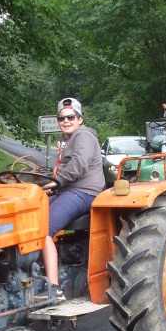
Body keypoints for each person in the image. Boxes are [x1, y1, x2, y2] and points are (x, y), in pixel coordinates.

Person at [41, 97, 106, 300]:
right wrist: (52, 184)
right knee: (31, 214)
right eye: (62, 118)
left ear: (80, 119)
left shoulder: (84, 135)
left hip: (84, 192)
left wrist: (57, 182)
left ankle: (53, 289)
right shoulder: (67, 140)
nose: (66, 121)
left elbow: (79, 164)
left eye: (71, 117)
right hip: (69, 190)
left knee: (42, 230)